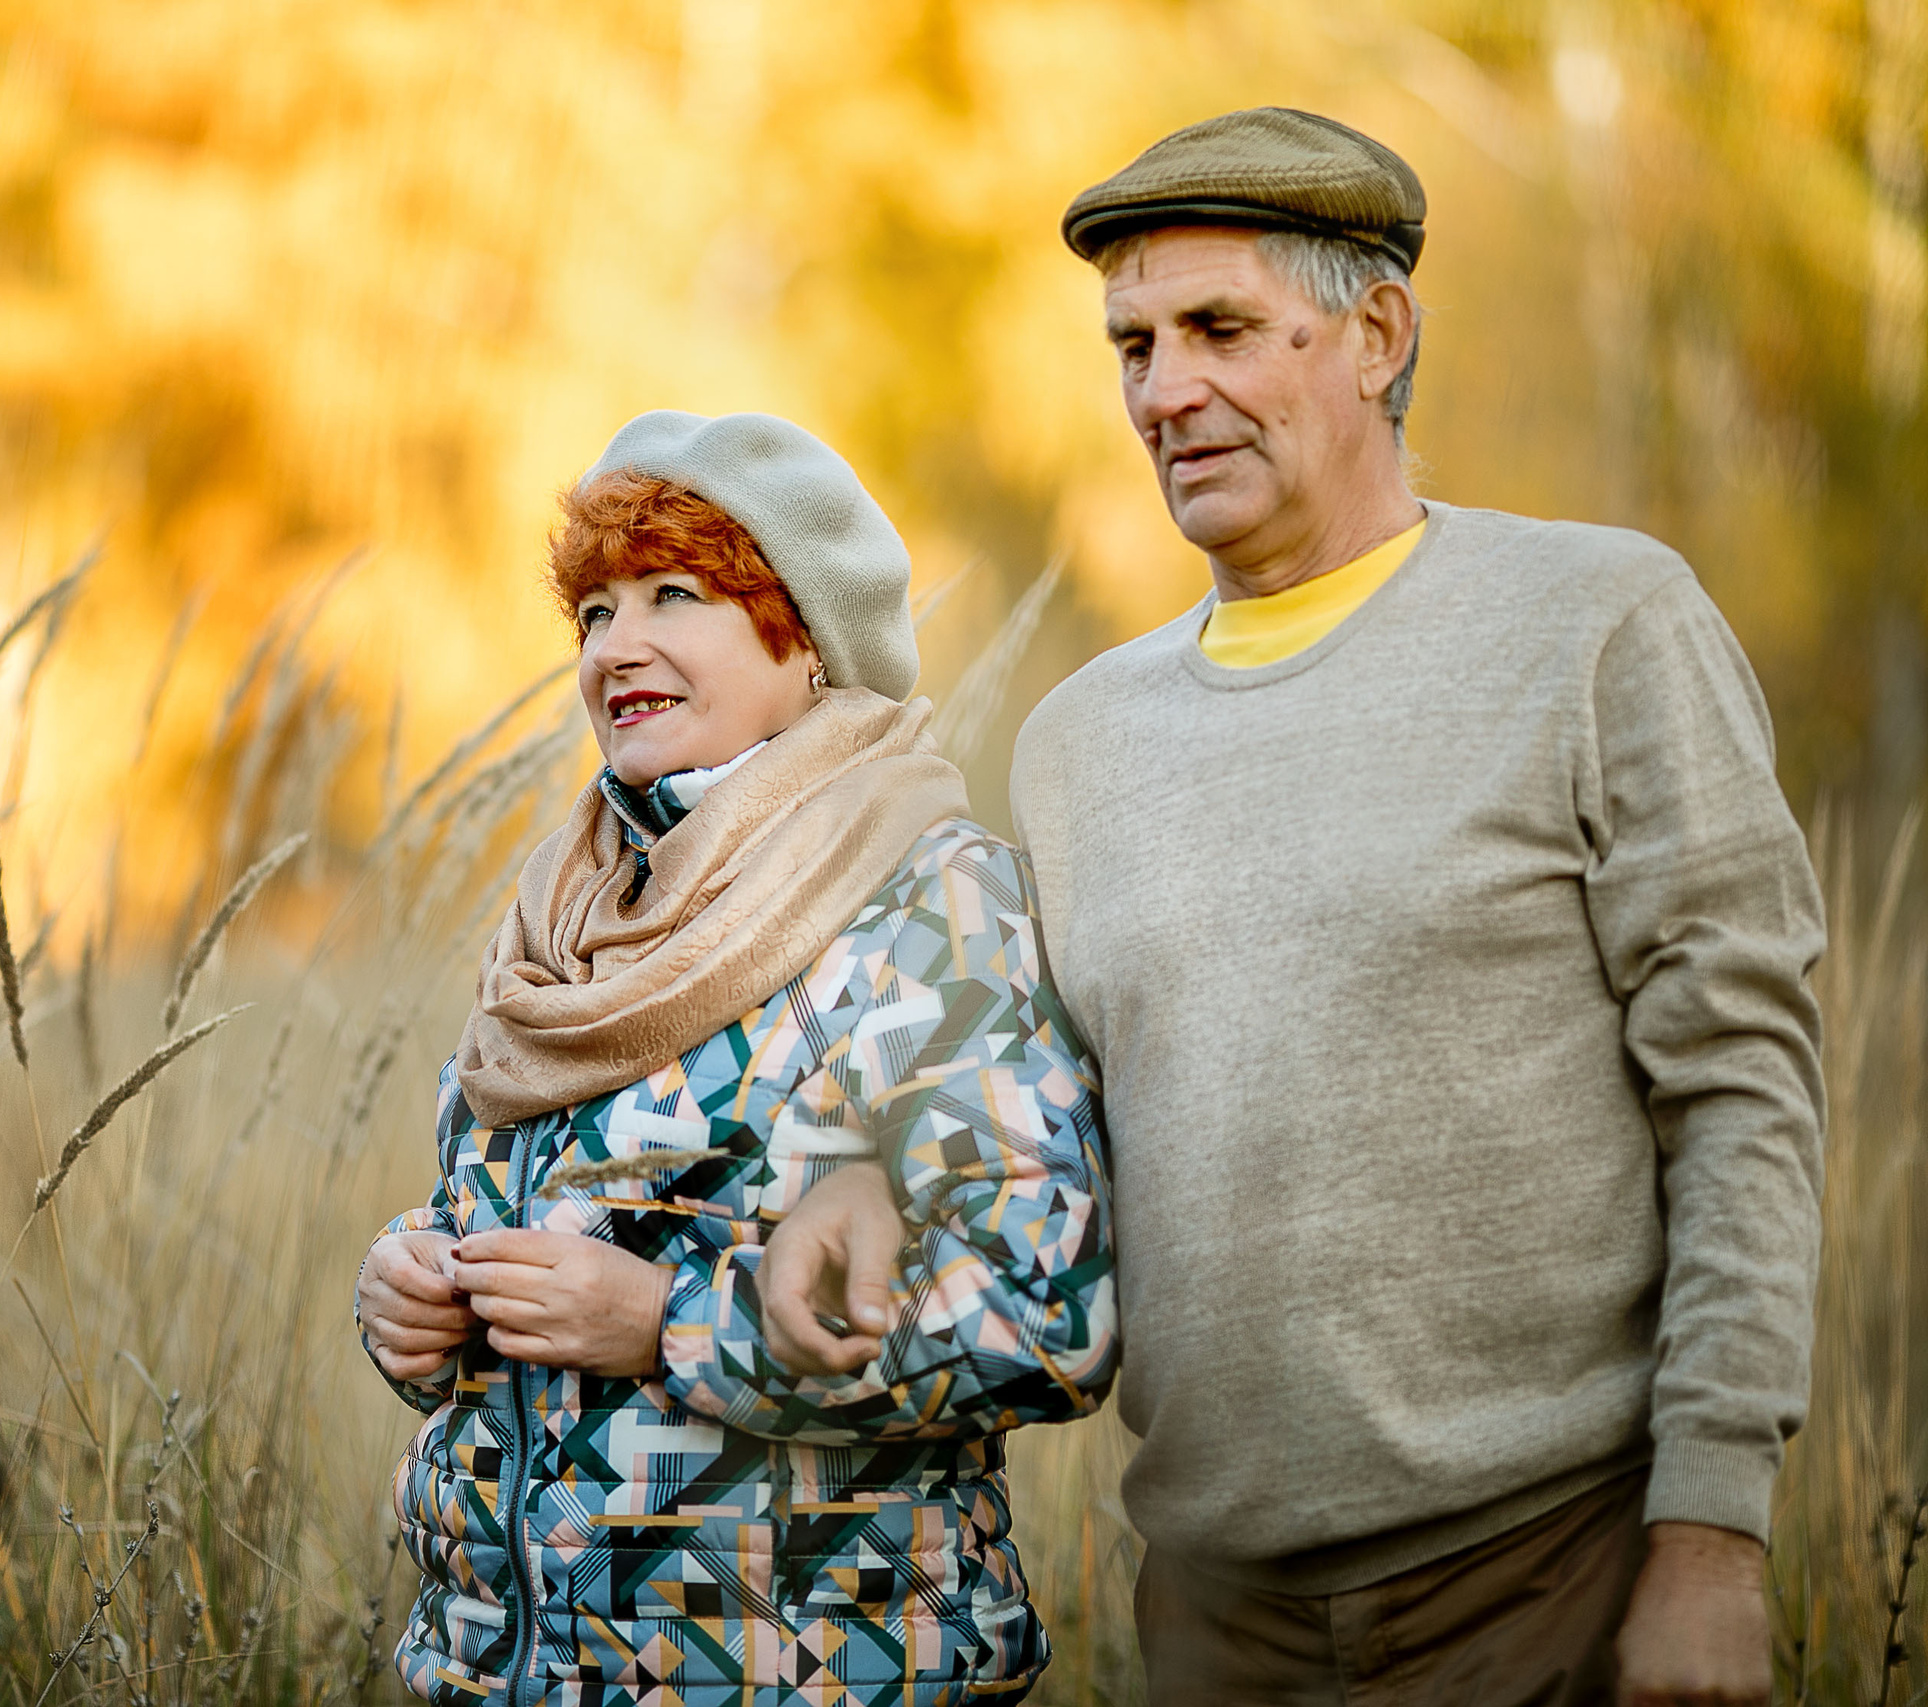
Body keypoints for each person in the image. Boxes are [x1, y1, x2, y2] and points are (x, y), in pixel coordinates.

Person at [758, 109, 1826, 1706]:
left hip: (1559, 1577)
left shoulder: (1598, 626)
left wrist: (1712, 1537)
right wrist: (856, 1169)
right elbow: (1015, 1103)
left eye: (1221, 331)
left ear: (1379, 332)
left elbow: (1743, 1090)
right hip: (1207, 1620)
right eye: (1132, 346)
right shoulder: (1080, 742)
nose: (1164, 391)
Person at [354, 409, 1118, 1707]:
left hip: (816, 1678)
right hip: (514, 1671)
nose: (618, 645)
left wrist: (668, 1325)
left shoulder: (929, 907)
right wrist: (417, 1295)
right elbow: (522, 1237)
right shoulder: (568, 923)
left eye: (677, 593)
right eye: (593, 610)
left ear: (808, 637)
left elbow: (1043, 1311)